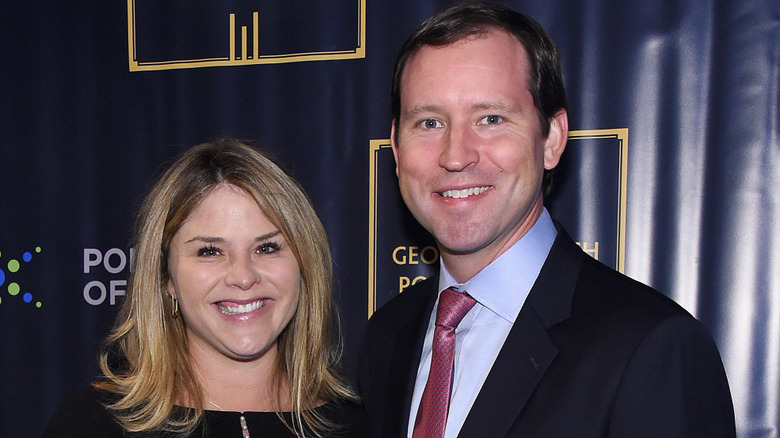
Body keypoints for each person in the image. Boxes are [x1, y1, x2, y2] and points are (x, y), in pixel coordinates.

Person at [358, 2, 735, 437]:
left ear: (552, 139)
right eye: (428, 123)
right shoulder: (387, 337)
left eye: (491, 118)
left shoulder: (651, 348)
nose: (455, 155)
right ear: (397, 149)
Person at [43, 139, 365, 437]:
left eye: (266, 248)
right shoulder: (91, 425)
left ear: (304, 265)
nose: (243, 276)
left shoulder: (362, 424)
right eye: (209, 251)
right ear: (165, 277)